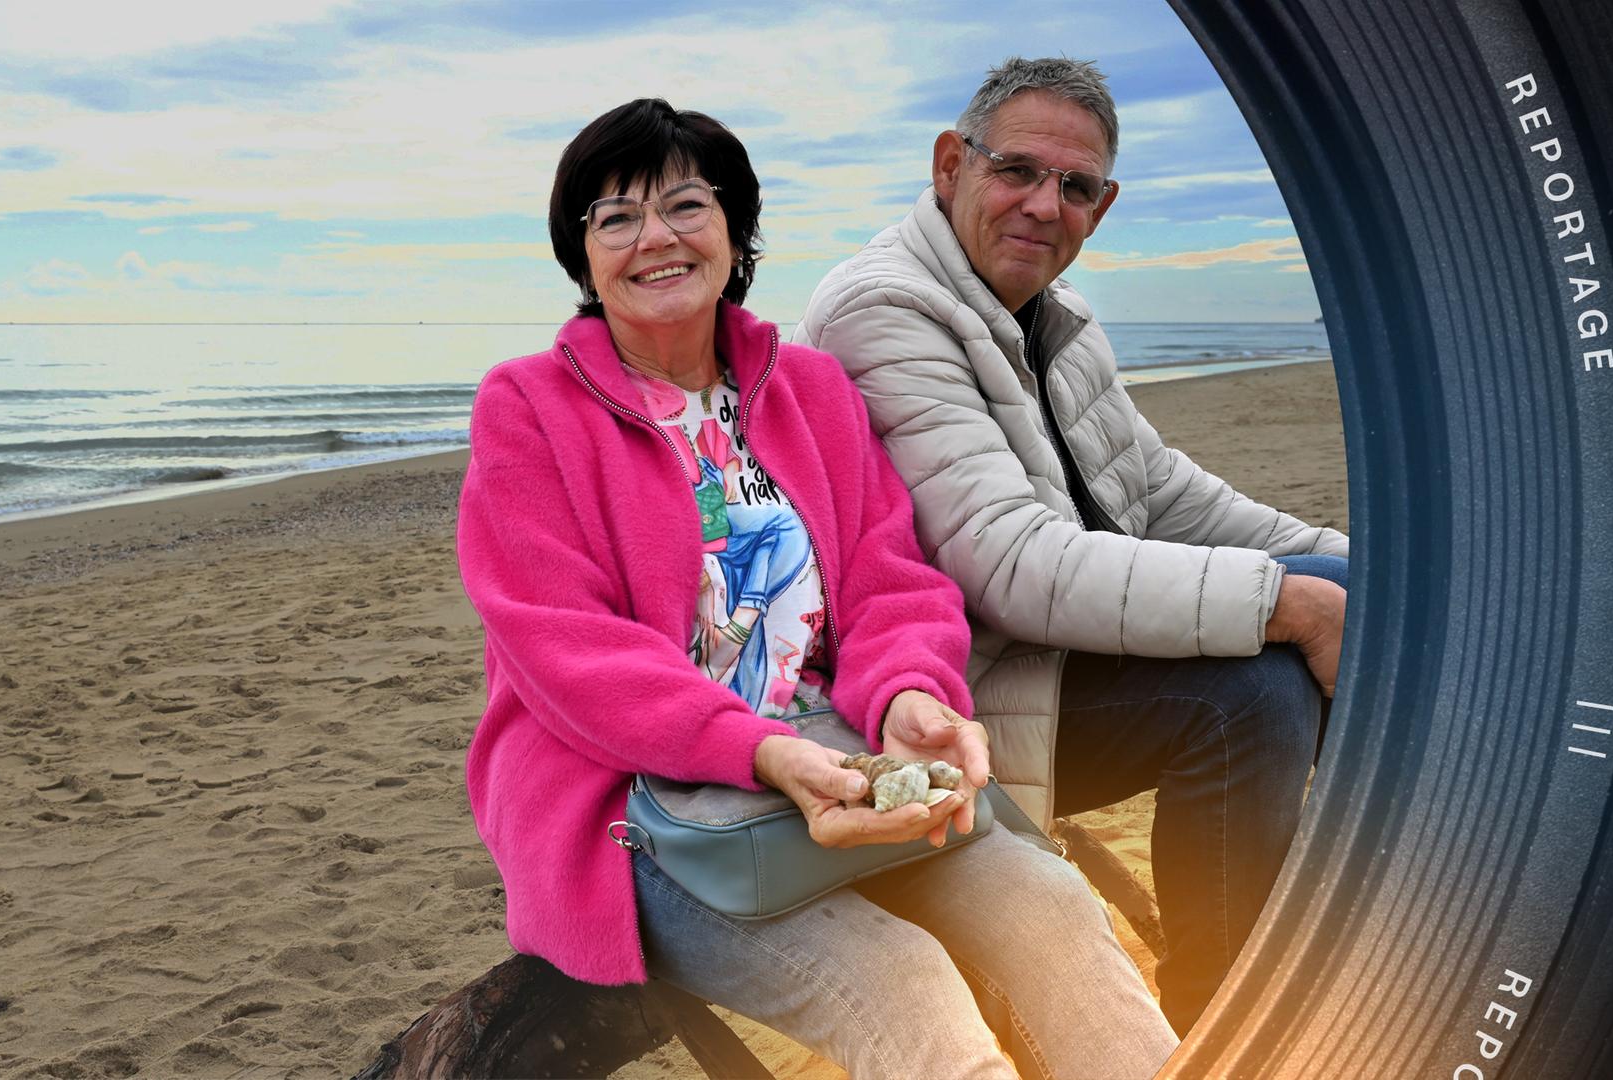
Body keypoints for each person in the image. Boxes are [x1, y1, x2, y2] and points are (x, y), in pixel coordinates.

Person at [458, 97, 1177, 1079]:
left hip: (840, 762)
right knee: (902, 986)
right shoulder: (527, 406)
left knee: (1053, 908)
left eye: (685, 206)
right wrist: (758, 751)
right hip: (645, 804)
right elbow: (564, 644)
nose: (655, 237)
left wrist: (910, 695)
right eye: (616, 217)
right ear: (582, 255)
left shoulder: (811, 389)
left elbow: (891, 583)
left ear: (735, 231)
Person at [795, 57, 1351, 1035]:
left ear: (1103, 205)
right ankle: (1229, 1019)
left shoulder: (1060, 319)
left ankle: (1407, 913)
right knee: (1253, 690)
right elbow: (1009, 565)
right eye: (1016, 170)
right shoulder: (879, 313)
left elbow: (1162, 495)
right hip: (940, 714)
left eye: (1076, 186)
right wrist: (1289, 602)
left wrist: (1353, 567)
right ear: (950, 166)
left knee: (1353, 592)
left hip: (1046, 661)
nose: (1044, 205)